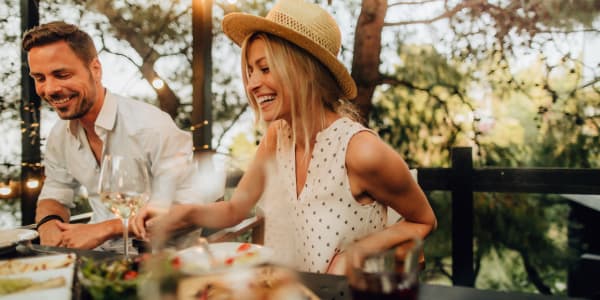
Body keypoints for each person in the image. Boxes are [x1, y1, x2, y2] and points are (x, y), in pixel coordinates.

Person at [132, 0, 437, 274]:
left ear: (304, 70)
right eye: (250, 71)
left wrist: (359, 251)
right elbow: (234, 209)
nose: (252, 84)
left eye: (264, 68)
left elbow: (423, 220)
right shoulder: (277, 136)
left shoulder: (360, 151)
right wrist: (181, 212)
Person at [22, 21, 206, 252]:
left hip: (163, 263)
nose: (49, 89)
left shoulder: (151, 127)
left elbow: (190, 210)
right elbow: (55, 194)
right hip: (96, 260)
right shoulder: (60, 135)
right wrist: (48, 224)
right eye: (40, 78)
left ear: (96, 69)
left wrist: (108, 228)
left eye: (62, 74)